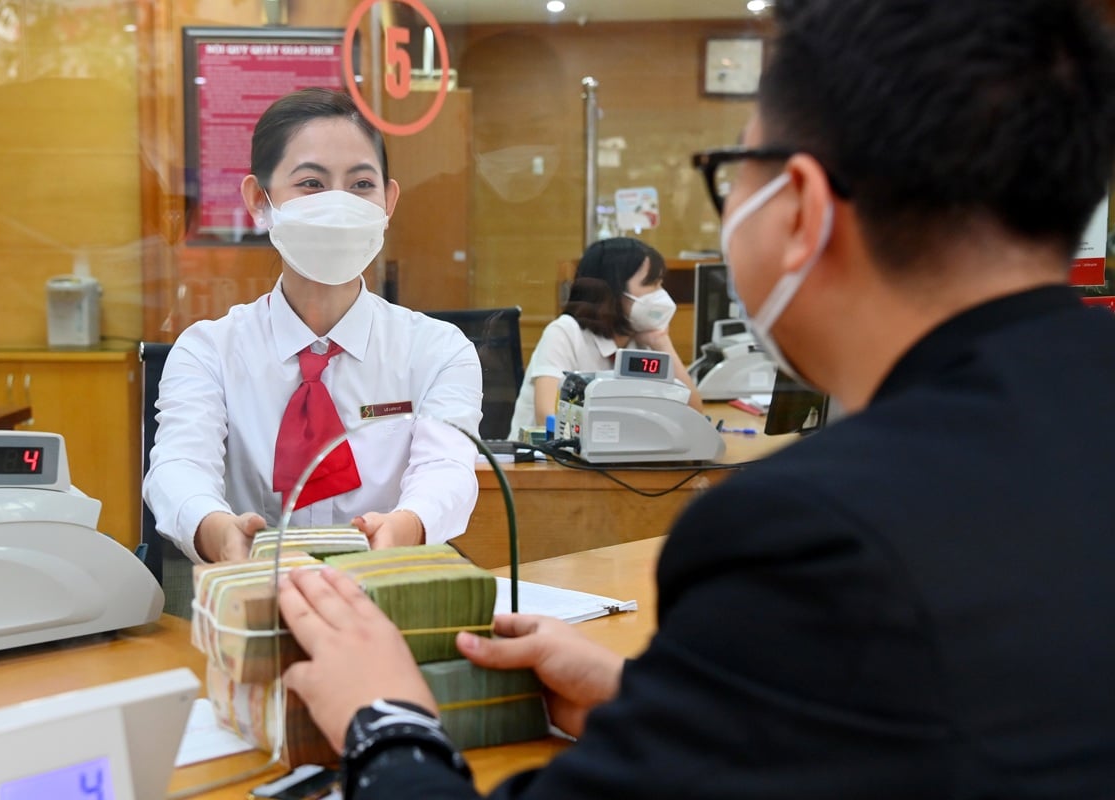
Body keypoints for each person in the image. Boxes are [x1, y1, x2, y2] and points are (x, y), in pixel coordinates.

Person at [276, 0, 1115, 797]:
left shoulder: (804, 535)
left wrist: (384, 715)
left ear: (802, 208)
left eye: (731, 173)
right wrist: (666, 700)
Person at [143, 88, 483, 564]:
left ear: (388, 200)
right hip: (251, 597)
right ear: (259, 201)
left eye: (362, 184)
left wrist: (405, 526)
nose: (339, 204)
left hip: (386, 593)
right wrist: (218, 531)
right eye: (311, 184)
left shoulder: (438, 351)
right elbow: (179, 467)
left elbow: (448, 469)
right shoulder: (208, 351)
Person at [506, 237, 703, 439]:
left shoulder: (640, 338)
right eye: (651, 284)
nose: (660, 294)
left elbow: (694, 413)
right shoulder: (565, 333)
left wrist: (661, 341)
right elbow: (547, 417)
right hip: (543, 465)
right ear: (614, 290)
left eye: (660, 284)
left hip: (614, 461)